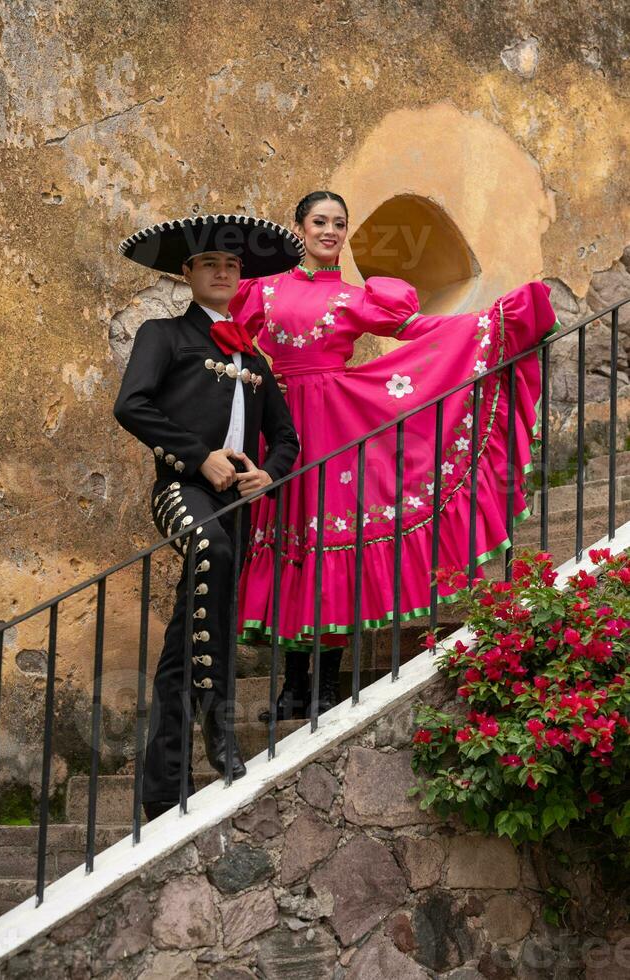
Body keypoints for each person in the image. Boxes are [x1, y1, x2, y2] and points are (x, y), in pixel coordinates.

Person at [229, 191, 558, 720]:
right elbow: (225, 341)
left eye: (339, 223)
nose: (330, 232)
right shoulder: (262, 292)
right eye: (319, 222)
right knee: (292, 547)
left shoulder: (359, 297)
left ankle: (325, 688)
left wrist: (495, 322)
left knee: (331, 542)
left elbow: (420, 330)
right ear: (300, 228)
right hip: (282, 427)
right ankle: (292, 688)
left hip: (338, 428)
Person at [114, 213, 302, 820]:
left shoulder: (255, 355)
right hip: (182, 490)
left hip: (238, 502)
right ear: (188, 273)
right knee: (213, 553)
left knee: (199, 626)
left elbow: (287, 438)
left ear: (240, 278)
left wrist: (268, 473)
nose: (222, 274)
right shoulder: (162, 334)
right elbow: (131, 404)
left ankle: (162, 786)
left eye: (231, 267)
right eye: (210, 265)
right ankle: (218, 734)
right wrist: (201, 459)